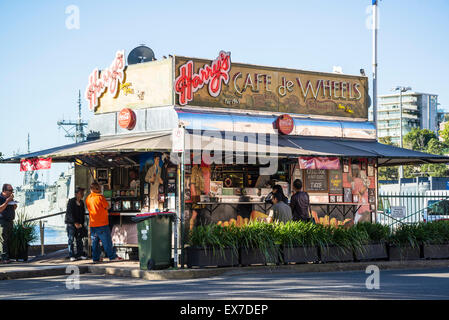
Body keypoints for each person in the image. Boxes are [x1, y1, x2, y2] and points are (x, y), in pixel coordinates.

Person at [85, 182, 122, 263]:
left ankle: (96, 258)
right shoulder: (100, 197)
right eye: (99, 188)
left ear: (91, 190)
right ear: (97, 189)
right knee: (107, 242)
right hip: (102, 223)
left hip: (93, 224)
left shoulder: (88, 198)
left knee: (95, 243)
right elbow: (107, 206)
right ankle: (112, 257)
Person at [65, 187, 87, 261]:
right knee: (71, 239)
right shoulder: (71, 201)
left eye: (83, 193)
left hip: (79, 224)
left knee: (79, 239)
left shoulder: (81, 203)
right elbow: (69, 213)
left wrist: (81, 223)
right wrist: (75, 223)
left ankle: (79, 254)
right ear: (76, 194)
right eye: (81, 193)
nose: (82, 194)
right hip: (71, 224)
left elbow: (82, 214)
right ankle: (71, 255)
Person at [0, 184, 16, 264]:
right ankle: (3, 258)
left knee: (8, 239)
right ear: (4, 191)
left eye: (12, 190)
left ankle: (7, 257)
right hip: (2, 221)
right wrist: (7, 201)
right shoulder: (1, 198)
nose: (11, 192)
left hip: (10, 221)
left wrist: (13, 203)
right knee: (3, 240)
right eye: (10, 190)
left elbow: (14, 208)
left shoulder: (9, 198)